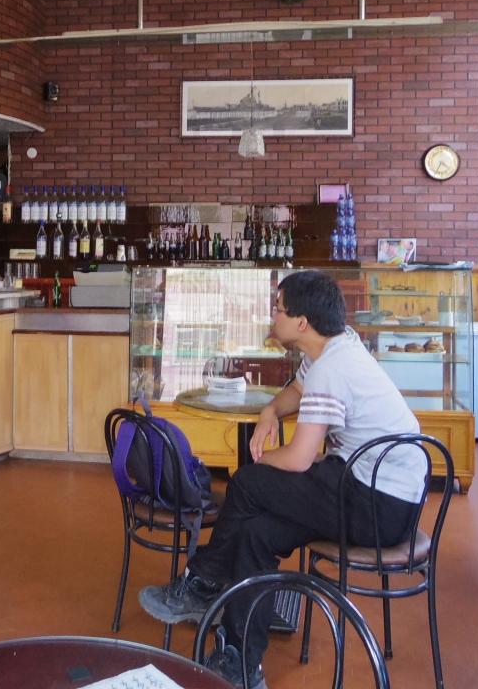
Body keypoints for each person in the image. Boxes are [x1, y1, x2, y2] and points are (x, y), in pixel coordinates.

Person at [139, 269, 427, 689]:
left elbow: (297, 459)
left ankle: (202, 583)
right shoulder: (334, 346)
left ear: (302, 322)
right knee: (256, 534)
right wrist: (270, 411)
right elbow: (296, 389)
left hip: (377, 506)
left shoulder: (333, 369)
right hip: (365, 487)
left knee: (246, 483)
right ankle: (239, 662)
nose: (272, 315)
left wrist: (259, 461)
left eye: (278, 309)